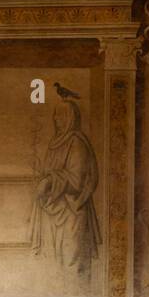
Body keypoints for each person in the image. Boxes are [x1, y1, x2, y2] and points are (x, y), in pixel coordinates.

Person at [30, 97, 100, 279]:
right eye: (55, 115)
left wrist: (49, 182)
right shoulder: (55, 143)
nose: (55, 119)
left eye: (60, 115)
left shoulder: (76, 143)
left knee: (72, 266)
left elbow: (77, 181)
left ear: (70, 118)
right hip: (53, 210)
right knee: (54, 268)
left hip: (73, 211)